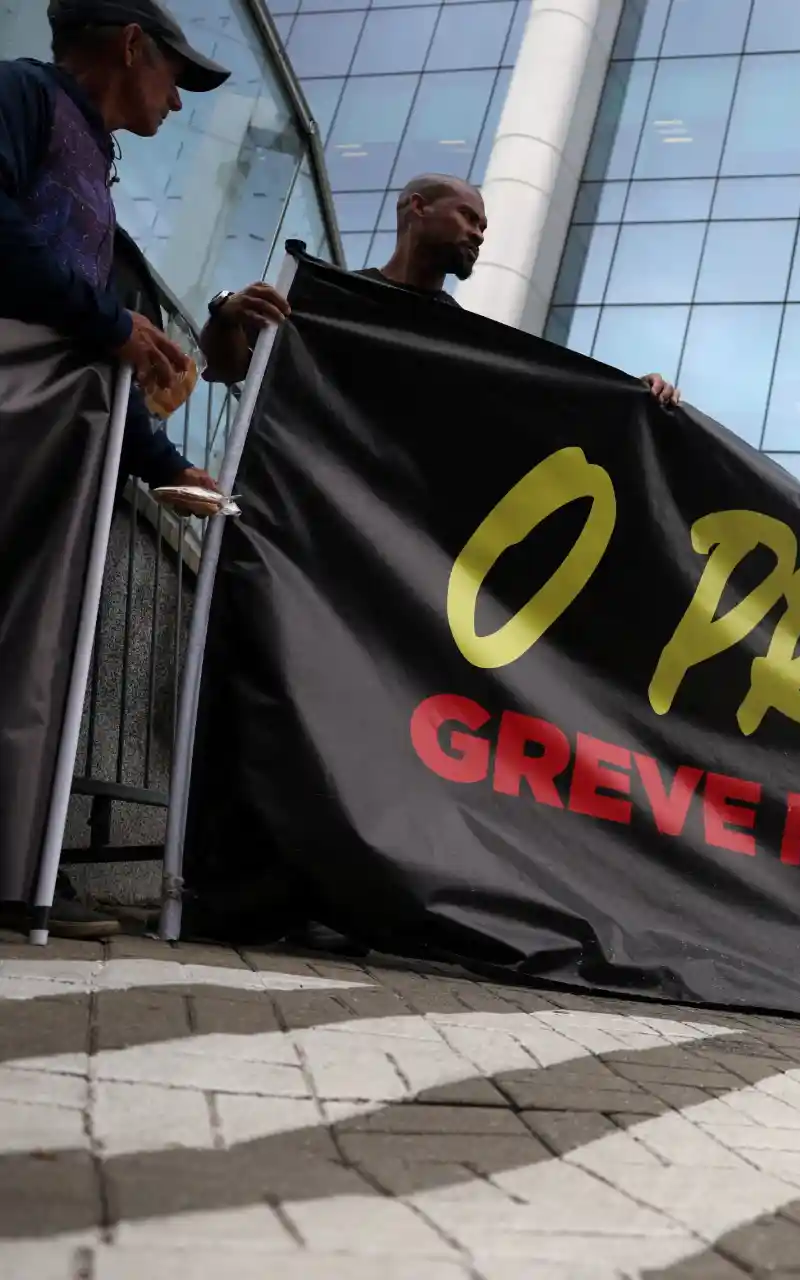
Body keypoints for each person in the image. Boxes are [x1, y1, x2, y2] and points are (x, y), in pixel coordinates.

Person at [0, 0, 257, 938]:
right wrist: (112, 324)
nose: (178, 104)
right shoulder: (22, 94)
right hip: (17, 405)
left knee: (31, 652)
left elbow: (105, 360)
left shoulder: (97, 175)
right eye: (176, 79)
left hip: (58, 431)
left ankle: (15, 867)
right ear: (131, 44)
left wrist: (169, 465)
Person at [201, 173, 680, 404]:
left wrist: (629, 395)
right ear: (418, 207)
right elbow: (226, 368)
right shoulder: (325, 301)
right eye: (468, 217)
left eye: (483, 228)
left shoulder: (464, 338)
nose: (478, 234)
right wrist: (226, 313)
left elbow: (546, 405)